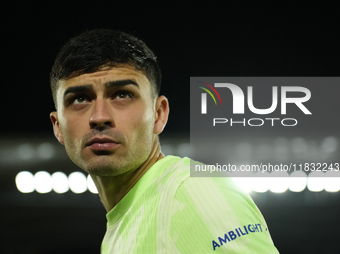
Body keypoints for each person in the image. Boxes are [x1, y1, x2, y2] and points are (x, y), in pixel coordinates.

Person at [49, 29, 279, 253]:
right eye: (80, 99)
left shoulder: (192, 191)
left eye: (122, 94)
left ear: (159, 114)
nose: (99, 117)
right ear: (58, 126)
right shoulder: (118, 232)